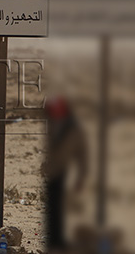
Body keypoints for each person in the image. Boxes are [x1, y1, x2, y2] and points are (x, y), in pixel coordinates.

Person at [41, 96, 87, 253]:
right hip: (53, 171)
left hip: (65, 172)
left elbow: (82, 154)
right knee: (53, 207)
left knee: (62, 207)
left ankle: (60, 240)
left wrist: (81, 176)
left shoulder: (73, 128)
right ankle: (55, 240)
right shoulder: (52, 124)